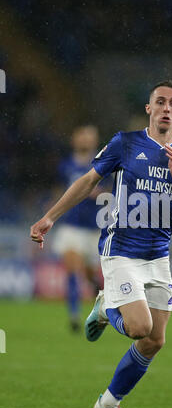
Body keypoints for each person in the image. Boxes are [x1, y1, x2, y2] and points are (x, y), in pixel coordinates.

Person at [30, 80, 172, 408]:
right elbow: (87, 181)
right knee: (140, 327)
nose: (167, 108)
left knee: (156, 340)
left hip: (157, 257)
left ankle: (107, 404)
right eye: (160, 102)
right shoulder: (125, 143)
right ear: (149, 108)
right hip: (121, 251)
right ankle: (108, 305)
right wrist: (50, 216)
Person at [50, 125, 105, 332]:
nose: (85, 140)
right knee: (72, 267)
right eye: (82, 136)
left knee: (90, 273)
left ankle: (96, 294)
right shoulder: (65, 166)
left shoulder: (102, 164)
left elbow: (113, 191)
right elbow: (59, 191)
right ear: (75, 139)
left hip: (95, 228)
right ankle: (74, 315)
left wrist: (99, 193)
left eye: (90, 137)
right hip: (71, 226)